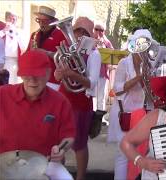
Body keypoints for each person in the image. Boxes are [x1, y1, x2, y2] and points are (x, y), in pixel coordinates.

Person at [0, 50, 76, 179]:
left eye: (38, 75)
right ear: (21, 75)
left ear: (48, 74)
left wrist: (62, 149)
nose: (32, 80)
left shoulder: (60, 101)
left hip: (45, 164)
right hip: (3, 164)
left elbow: (69, 136)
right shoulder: (2, 95)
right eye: (27, 75)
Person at [107, 28, 159, 180]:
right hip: (125, 115)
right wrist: (139, 78)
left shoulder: (149, 65)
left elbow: (150, 98)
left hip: (141, 116)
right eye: (140, 46)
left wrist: (149, 83)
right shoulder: (124, 63)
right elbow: (117, 90)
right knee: (123, 155)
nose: (143, 50)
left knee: (139, 154)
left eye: (146, 46)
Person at [54, 16, 101, 180]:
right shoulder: (66, 50)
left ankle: (80, 177)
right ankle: (59, 174)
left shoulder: (94, 55)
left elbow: (92, 84)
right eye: (76, 31)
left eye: (83, 32)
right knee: (59, 142)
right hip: (62, 99)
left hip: (80, 103)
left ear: (89, 35)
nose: (78, 36)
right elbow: (57, 74)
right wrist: (59, 74)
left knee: (79, 144)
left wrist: (71, 74)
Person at [27, 6, 66, 90]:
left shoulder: (61, 35)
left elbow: (64, 58)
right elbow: (27, 54)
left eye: (44, 21)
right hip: (34, 77)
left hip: (52, 80)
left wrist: (45, 53)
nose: (41, 24)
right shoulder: (34, 35)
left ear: (53, 21)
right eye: (38, 20)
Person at [0, 11, 27, 84]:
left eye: (14, 19)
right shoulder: (1, 30)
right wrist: (4, 31)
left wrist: (17, 34)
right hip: (0, 60)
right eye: (10, 18)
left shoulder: (19, 32)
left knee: (12, 81)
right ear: (6, 19)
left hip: (12, 60)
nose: (12, 21)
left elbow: (23, 47)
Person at [93, 23, 113, 117]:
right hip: (91, 72)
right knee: (92, 95)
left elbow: (112, 54)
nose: (99, 32)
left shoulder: (107, 42)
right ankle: (91, 115)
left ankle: (100, 117)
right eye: (97, 29)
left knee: (101, 96)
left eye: (101, 30)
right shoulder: (90, 40)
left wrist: (103, 47)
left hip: (102, 72)